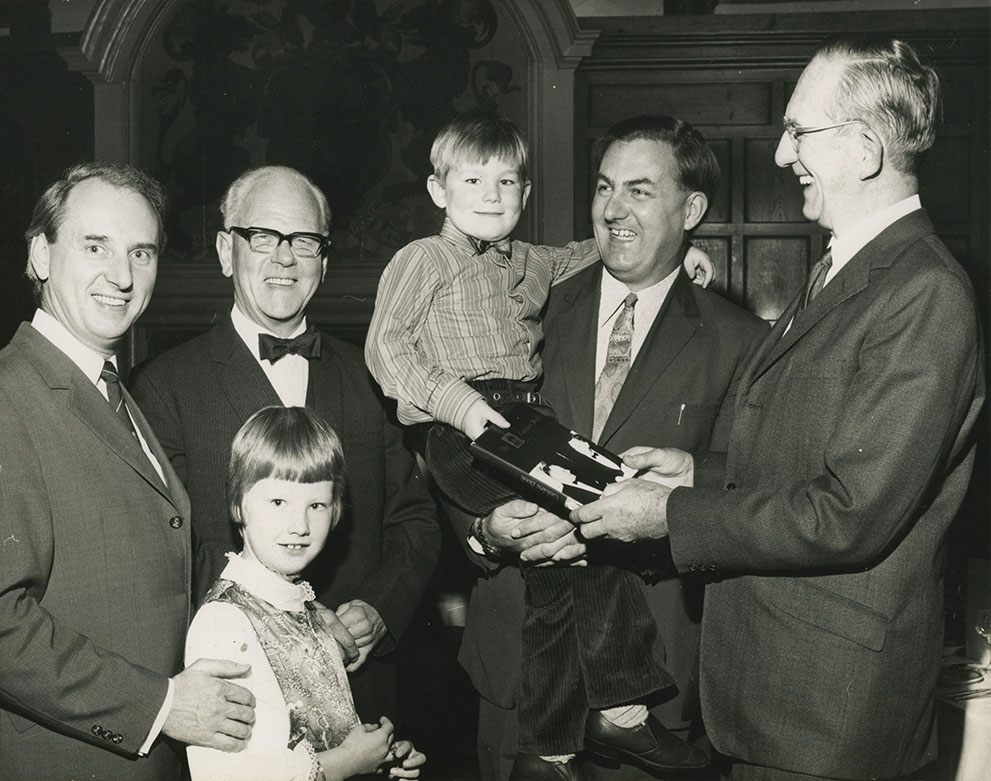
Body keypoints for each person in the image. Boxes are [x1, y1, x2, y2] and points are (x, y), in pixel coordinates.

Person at [573, 36, 985, 781]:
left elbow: (850, 512)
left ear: (863, 148)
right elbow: (811, 454)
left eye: (797, 131)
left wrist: (668, 516)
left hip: (829, 717)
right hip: (776, 699)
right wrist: (696, 470)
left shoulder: (924, 292)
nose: (777, 154)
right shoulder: (844, 265)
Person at [447, 115, 768, 781]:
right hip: (516, 669)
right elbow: (449, 438)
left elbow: (750, 491)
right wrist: (484, 524)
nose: (613, 209)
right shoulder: (520, 305)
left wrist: (652, 512)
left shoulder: (739, 342)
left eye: (640, 190)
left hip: (649, 690)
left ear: (692, 210)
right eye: (603, 187)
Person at [130, 165, 440, 724]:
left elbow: (413, 520)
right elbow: (166, 555)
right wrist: (292, 619)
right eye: (263, 238)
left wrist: (379, 610)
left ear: (324, 260)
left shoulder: (376, 380)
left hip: (362, 696)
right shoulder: (165, 386)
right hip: (244, 700)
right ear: (227, 251)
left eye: (303, 241)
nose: (284, 259)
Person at [0, 162, 256, 780]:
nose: (122, 276)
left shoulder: (114, 389)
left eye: (141, 253)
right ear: (40, 254)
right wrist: (161, 705)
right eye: (95, 247)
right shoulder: (11, 397)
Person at [364, 110, 712, 515]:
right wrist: (458, 405)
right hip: (458, 423)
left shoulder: (534, 261)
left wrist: (681, 248)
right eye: (473, 180)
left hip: (530, 415)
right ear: (439, 191)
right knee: (542, 518)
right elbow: (385, 347)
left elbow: (597, 248)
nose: (492, 196)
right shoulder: (423, 258)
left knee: (589, 509)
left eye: (506, 182)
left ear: (524, 195)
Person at [186, 406, 426, 781]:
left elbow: (319, 733)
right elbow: (221, 775)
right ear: (237, 505)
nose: (299, 525)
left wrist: (377, 761)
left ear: (335, 513)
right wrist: (348, 763)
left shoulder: (303, 604)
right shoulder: (226, 621)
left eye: (316, 505)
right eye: (278, 502)